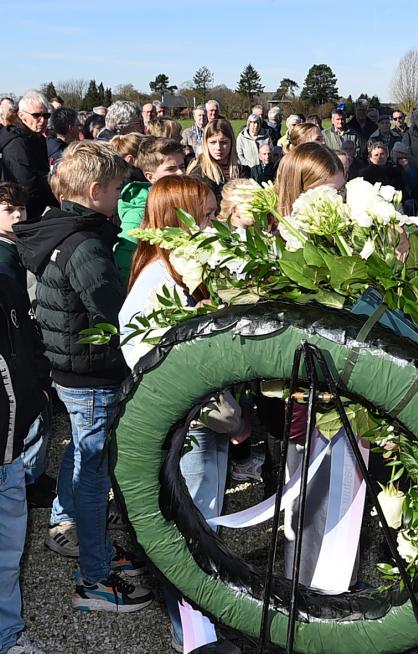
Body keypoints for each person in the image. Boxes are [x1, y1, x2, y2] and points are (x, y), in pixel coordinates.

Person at [14, 141, 153, 612]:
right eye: (117, 189)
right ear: (95, 191)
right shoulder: (86, 244)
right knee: (94, 472)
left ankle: (68, 524)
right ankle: (94, 576)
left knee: (80, 451)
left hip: (70, 372)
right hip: (90, 375)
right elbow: (113, 315)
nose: (121, 197)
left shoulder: (61, 230)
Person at [118, 175, 244, 653]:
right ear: (177, 219)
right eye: (206, 216)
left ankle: (201, 626)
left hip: (203, 424)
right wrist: (223, 416)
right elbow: (156, 367)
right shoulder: (157, 282)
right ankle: (195, 637)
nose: (212, 225)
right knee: (188, 535)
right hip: (184, 432)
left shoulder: (184, 274)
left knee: (203, 525)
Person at [0, 186, 57, 652]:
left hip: (10, 447)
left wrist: (35, 395)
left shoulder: (7, 277)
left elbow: (24, 347)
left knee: (7, 550)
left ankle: (8, 634)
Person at [115, 137, 187, 288]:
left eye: (182, 166)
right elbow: (126, 260)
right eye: (171, 169)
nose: (180, 173)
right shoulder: (139, 212)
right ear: (150, 176)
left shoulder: (185, 199)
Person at [0, 90, 58, 219]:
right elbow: (26, 185)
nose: (42, 120)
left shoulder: (34, 137)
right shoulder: (17, 144)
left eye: (46, 116)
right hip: (26, 214)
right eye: (36, 115)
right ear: (21, 115)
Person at [188, 119, 250, 200]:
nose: (218, 148)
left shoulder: (243, 171)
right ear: (206, 143)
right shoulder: (199, 174)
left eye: (223, 142)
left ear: (231, 143)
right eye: (213, 142)